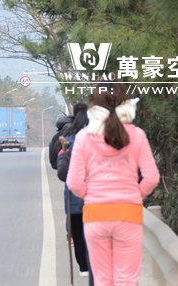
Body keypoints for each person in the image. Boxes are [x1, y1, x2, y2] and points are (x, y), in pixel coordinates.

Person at [67, 83, 160, 286]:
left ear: (94, 104)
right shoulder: (137, 135)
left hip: (95, 214)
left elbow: (73, 182)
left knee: (102, 280)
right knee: (126, 279)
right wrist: (136, 194)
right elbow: (152, 177)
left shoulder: (84, 137)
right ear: (124, 101)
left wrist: (90, 195)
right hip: (128, 213)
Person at [57, 103, 92, 281]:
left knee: (78, 235)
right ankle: (92, 264)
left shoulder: (68, 139)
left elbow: (62, 173)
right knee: (93, 235)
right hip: (95, 198)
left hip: (74, 197)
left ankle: (83, 266)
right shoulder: (98, 140)